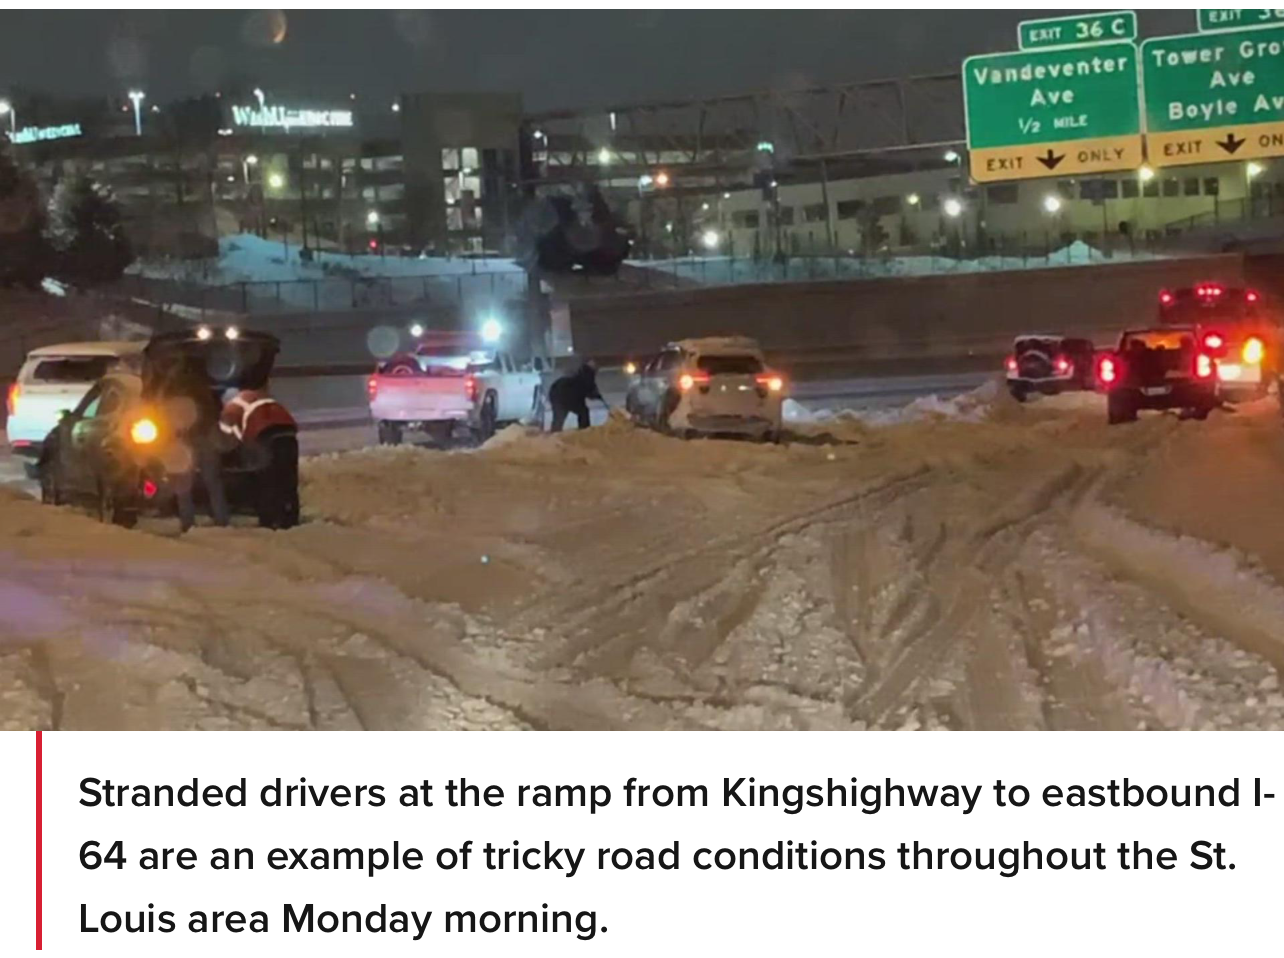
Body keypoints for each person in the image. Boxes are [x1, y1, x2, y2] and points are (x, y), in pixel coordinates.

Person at [161, 354, 229, 533]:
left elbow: (165, 412)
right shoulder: (203, 384)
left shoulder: (171, 386)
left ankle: (188, 523)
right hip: (205, 435)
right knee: (212, 480)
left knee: (183, 482)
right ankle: (222, 519)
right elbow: (214, 409)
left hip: (183, 439)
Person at [219, 383, 299, 529]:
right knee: (289, 477)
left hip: (264, 435)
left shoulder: (230, 409)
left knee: (267, 479)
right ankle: (291, 516)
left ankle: (269, 519)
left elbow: (232, 439)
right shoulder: (257, 395)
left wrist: (240, 454)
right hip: (288, 432)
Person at [548, 359, 605, 432]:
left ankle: (554, 433)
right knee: (583, 412)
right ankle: (584, 432)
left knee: (559, 417)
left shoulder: (582, 372)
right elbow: (589, 391)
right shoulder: (588, 376)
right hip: (567, 396)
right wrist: (597, 395)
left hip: (557, 392)